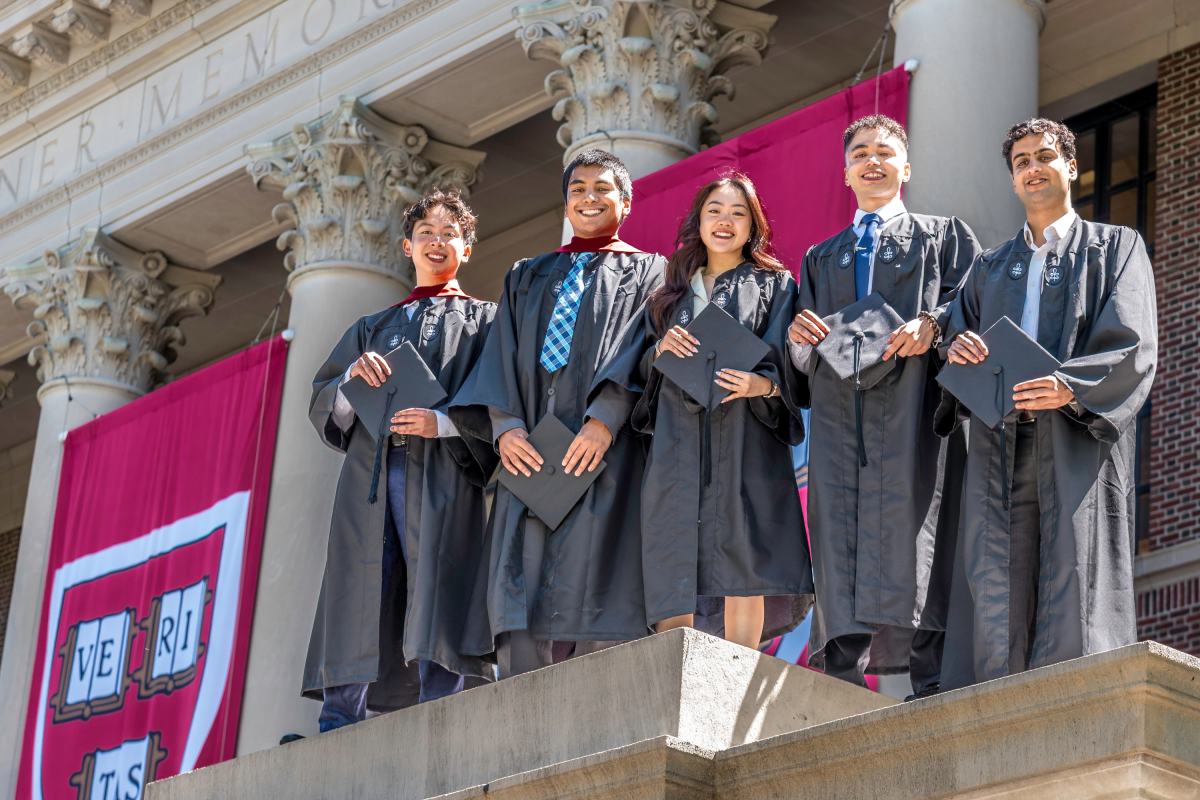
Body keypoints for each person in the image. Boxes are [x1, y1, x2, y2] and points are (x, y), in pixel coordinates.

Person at [936, 118, 1157, 689]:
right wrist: (955, 347)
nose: (1033, 168)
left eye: (1044, 156)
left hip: (1074, 436)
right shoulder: (987, 268)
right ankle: (997, 708)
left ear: (1070, 166)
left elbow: (1133, 344)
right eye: (1021, 162)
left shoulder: (1117, 248)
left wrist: (1071, 388)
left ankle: (1072, 703)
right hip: (1000, 440)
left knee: (1074, 571)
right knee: (996, 578)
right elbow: (954, 341)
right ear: (1013, 180)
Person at [452, 150, 667, 678]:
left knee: (600, 568)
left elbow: (642, 346)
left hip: (601, 450)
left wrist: (604, 419)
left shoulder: (649, 270)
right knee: (521, 573)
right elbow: (500, 352)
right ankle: (523, 700)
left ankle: (595, 700)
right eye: (578, 190)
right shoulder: (527, 274)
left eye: (602, 189)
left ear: (626, 201)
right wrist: (504, 428)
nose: (589, 198)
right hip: (528, 450)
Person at [787, 115, 981, 697]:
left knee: (918, 528)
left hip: (916, 412)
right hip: (840, 420)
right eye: (861, 153)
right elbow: (801, 358)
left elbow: (974, 303)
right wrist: (798, 340)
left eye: (886, 152)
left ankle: (932, 681)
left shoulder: (944, 235)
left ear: (906, 166)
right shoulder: (822, 257)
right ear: (846, 173)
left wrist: (936, 324)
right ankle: (840, 683)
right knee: (839, 531)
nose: (874, 161)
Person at [300, 189, 498, 733]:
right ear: (407, 246)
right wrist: (349, 381)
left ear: (467, 247)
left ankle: (444, 711)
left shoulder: (487, 324)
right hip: (370, 472)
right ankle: (340, 717)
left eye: (449, 233)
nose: (438, 242)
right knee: (359, 584)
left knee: (443, 578)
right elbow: (326, 405)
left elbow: (503, 401)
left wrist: (446, 424)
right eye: (426, 233)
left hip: (444, 471)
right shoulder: (372, 329)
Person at [597, 172, 812, 647]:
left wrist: (764, 384)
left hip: (744, 436)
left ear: (753, 226)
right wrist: (659, 353)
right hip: (678, 439)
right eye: (715, 210)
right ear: (698, 220)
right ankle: (677, 665)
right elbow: (635, 368)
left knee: (744, 550)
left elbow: (790, 365)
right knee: (672, 551)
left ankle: (736, 668)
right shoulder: (667, 295)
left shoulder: (775, 285)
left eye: (738, 213)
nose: (725, 221)